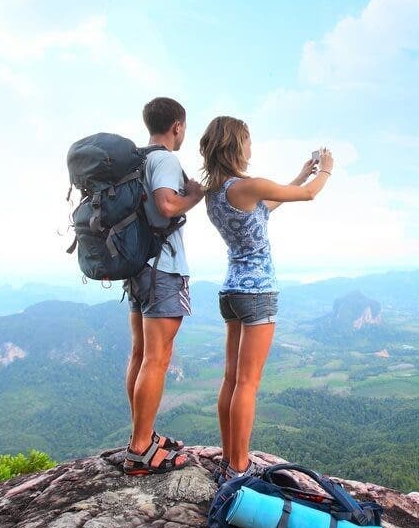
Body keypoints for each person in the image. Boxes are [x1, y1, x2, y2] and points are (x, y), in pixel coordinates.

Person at [199, 116, 334, 481]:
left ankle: (230, 458)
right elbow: (308, 196)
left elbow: (266, 207)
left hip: (230, 292)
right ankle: (239, 467)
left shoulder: (215, 193)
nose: (251, 147)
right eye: (247, 141)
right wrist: (326, 172)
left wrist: (301, 174)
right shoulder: (249, 185)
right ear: (235, 146)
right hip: (257, 293)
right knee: (247, 383)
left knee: (230, 379)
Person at [122, 97, 205, 475]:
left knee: (140, 355)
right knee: (157, 358)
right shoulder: (166, 160)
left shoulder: (137, 159)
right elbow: (167, 205)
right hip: (163, 269)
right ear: (177, 126)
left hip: (138, 266)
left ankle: (144, 435)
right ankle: (141, 449)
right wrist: (194, 197)